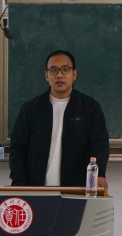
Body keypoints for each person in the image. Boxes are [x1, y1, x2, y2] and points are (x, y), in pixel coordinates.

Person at [8, 49, 110, 192]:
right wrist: (19, 184)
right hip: (36, 189)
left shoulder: (90, 108)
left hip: (77, 189)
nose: (59, 75)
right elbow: (17, 148)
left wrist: (99, 174)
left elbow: (100, 145)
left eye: (65, 70)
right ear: (46, 75)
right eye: (54, 70)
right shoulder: (31, 109)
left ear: (74, 74)